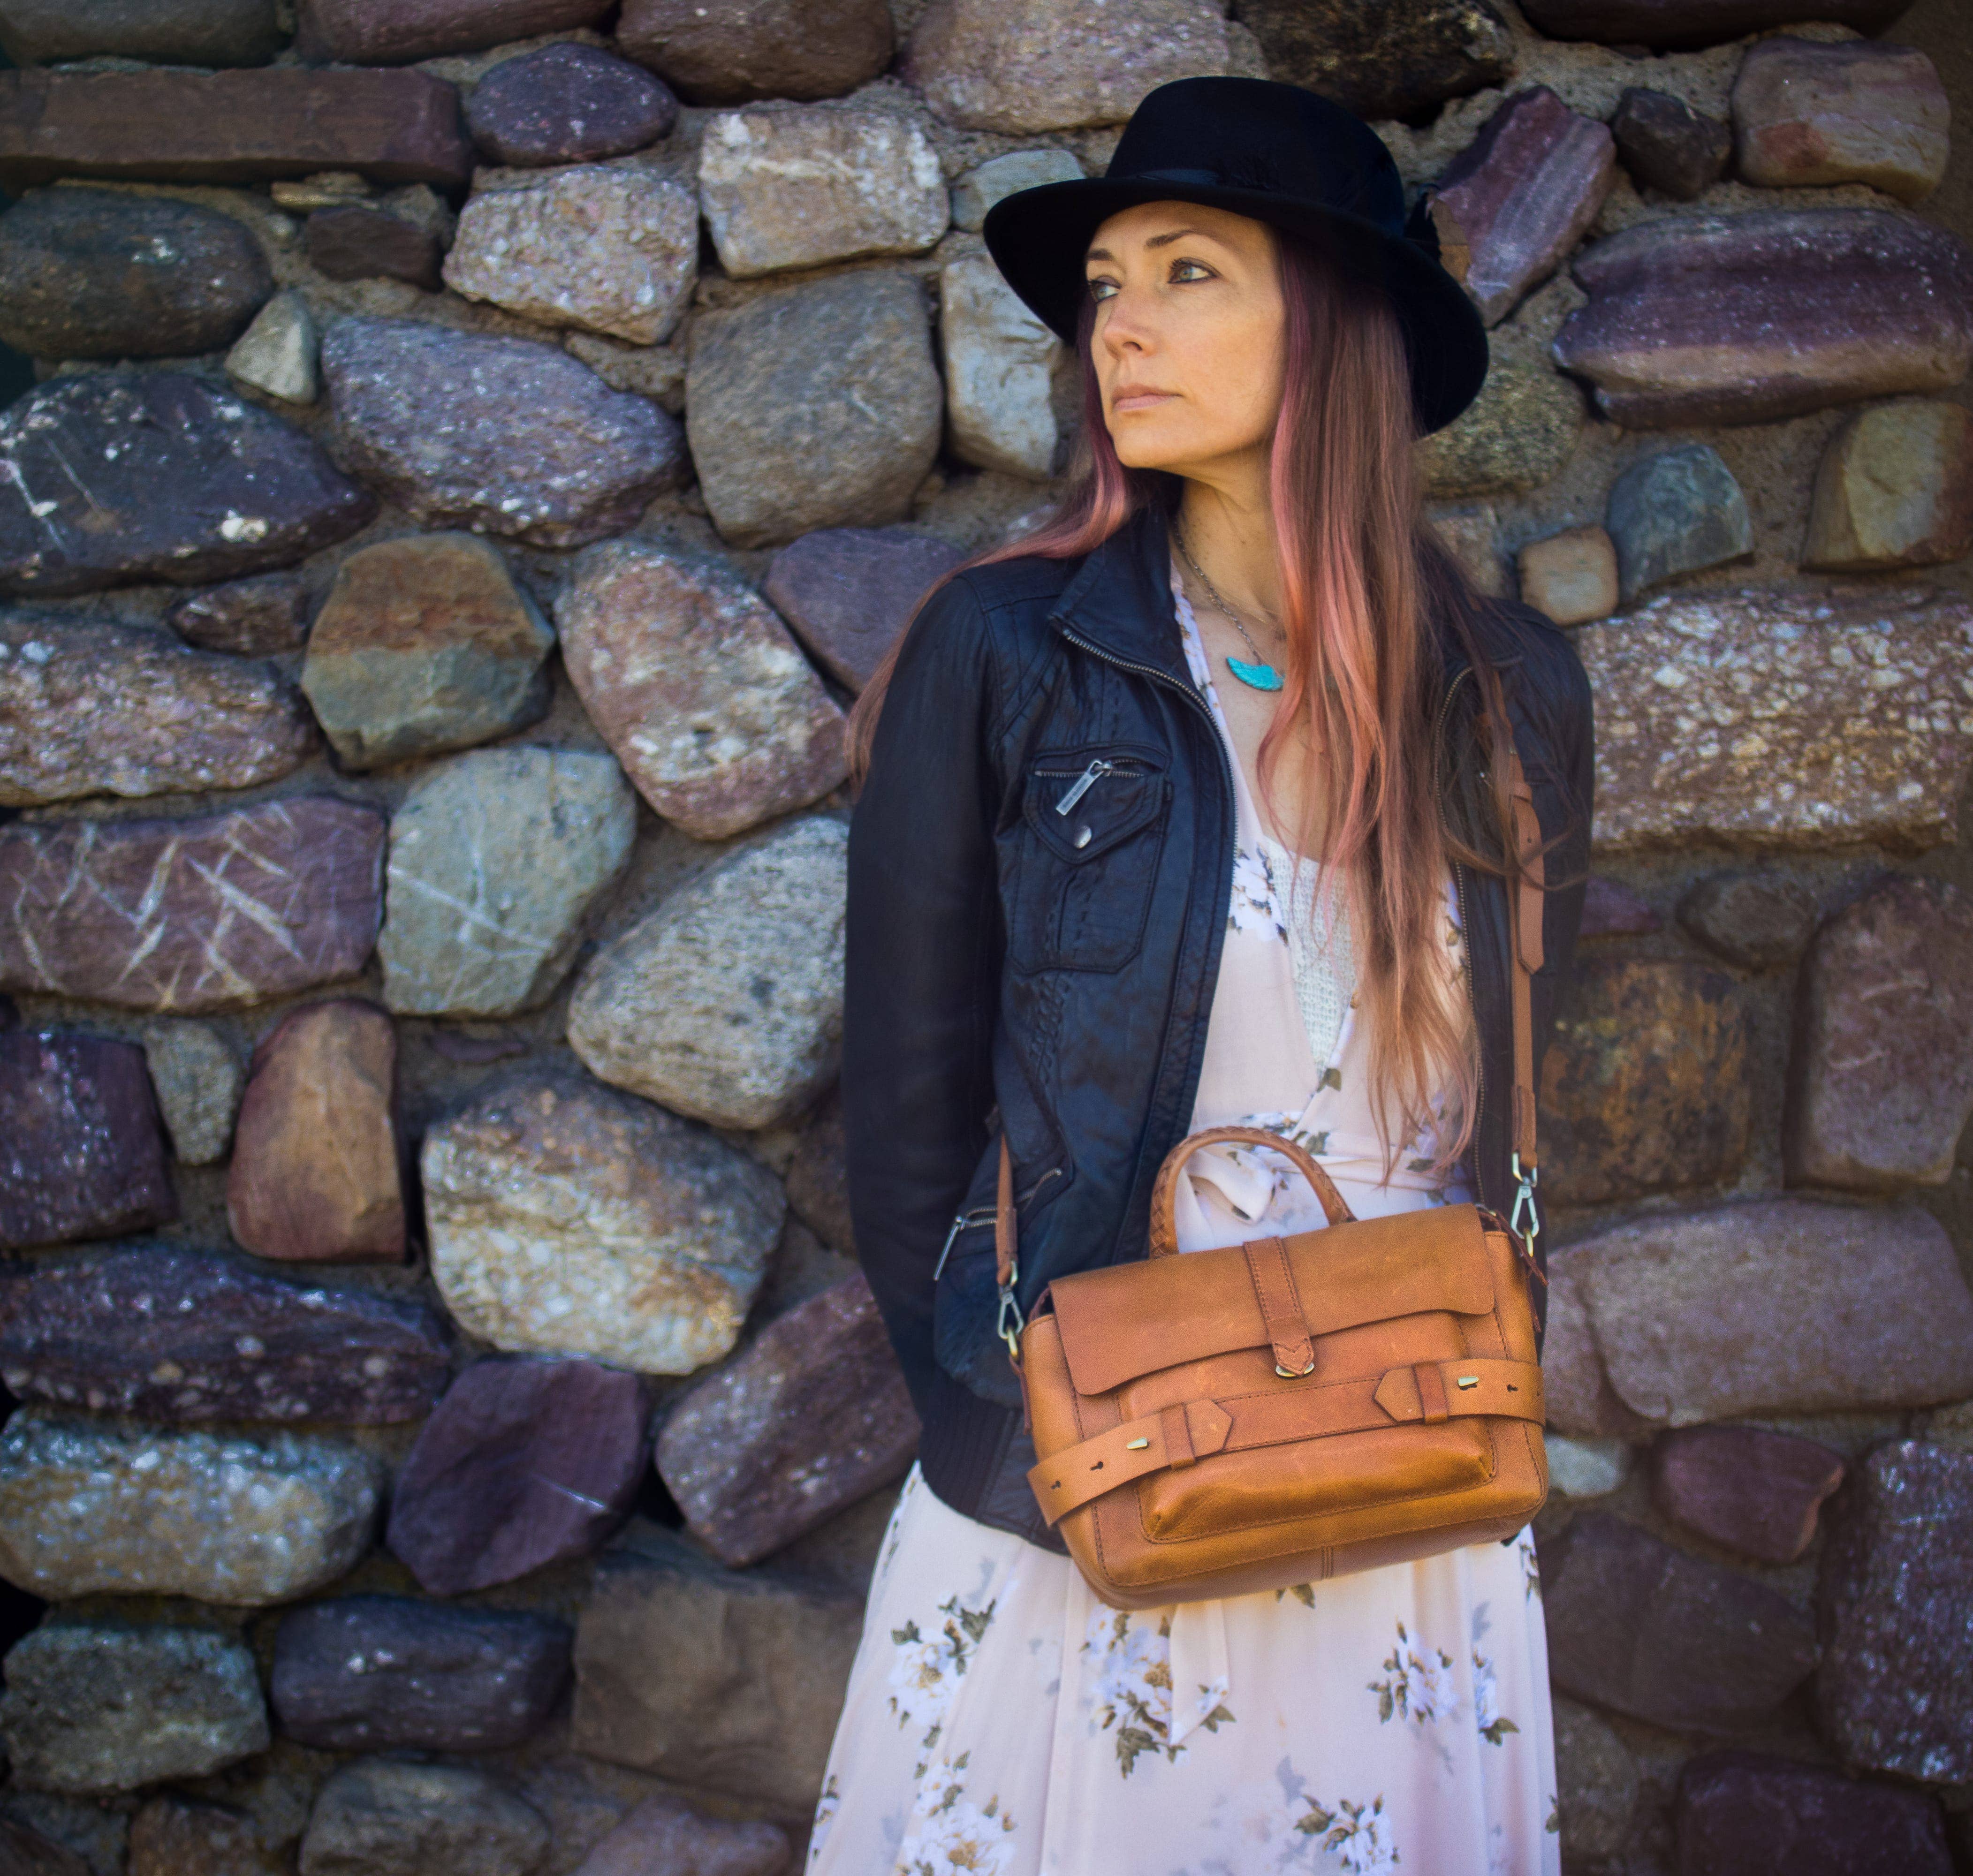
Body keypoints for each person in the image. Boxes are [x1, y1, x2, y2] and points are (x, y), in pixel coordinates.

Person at [813, 75, 1593, 1876]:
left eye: (1187, 273)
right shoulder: (1012, 654)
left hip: (1414, 1500)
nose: (1120, 327)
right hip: (1098, 1496)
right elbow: (907, 1121)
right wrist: (1009, 1428)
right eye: (1105, 284)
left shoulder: (1511, 700)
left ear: (1335, 327)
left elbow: (1520, 1109)